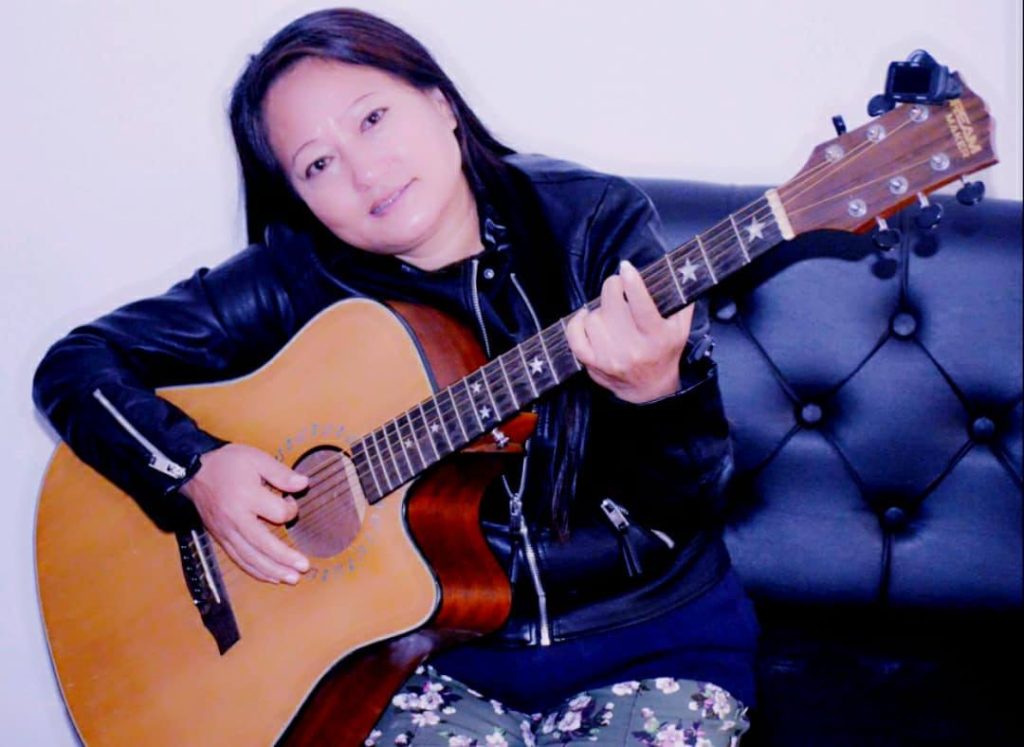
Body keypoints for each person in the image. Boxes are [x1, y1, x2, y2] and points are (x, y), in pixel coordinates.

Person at [33, 8, 758, 745]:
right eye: (318, 165)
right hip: (412, 667)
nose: (365, 171)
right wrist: (193, 470)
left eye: (373, 119)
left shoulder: (591, 222)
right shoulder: (296, 276)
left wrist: (655, 394)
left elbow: (690, 500)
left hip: (645, 645)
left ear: (440, 103)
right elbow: (75, 364)